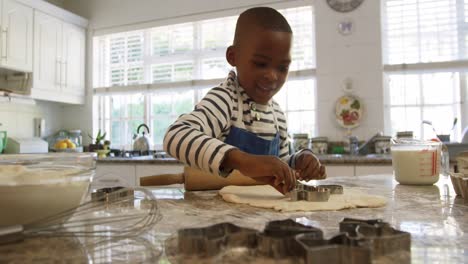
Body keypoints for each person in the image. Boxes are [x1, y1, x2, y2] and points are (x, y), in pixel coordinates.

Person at [164, 6, 326, 194]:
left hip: (263, 214)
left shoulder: (277, 116)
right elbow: (175, 135)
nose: (272, 76)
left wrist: (300, 160)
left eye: (282, 68)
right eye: (260, 64)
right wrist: (241, 160)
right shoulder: (226, 100)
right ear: (233, 57)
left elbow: (278, 166)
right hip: (216, 212)